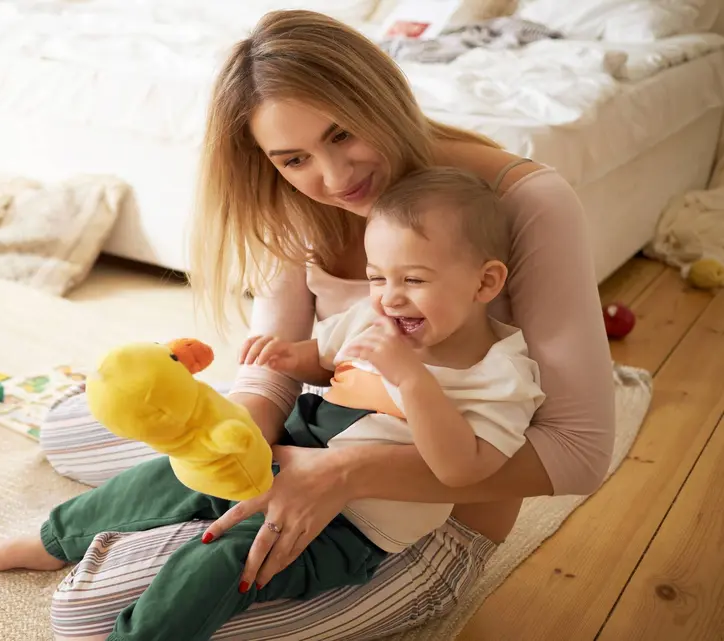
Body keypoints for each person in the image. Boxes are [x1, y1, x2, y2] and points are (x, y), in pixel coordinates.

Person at [37, 9, 615, 640]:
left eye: (343, 134)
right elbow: (273, 368)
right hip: (312, 438)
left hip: (412, 522)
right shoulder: (297, 196)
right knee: (67, 429)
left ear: (381, 96)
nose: (335, 179)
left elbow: (580, 454)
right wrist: (245, 437)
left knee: (85, 615)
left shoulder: (520, 202)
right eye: (294, 158)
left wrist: (342, 474)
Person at [0, 168, 547, 641]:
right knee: (167, 476)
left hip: (349, 529)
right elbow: (329, 358)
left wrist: (413, 379)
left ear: (485, 282)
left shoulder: (501, 375)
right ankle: (52, 540)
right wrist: (292, 358)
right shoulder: (376, 315)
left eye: (414, 280)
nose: (390, 299)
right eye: (377, 277)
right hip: (281, 451)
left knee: (219, 562)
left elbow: (463, 469)